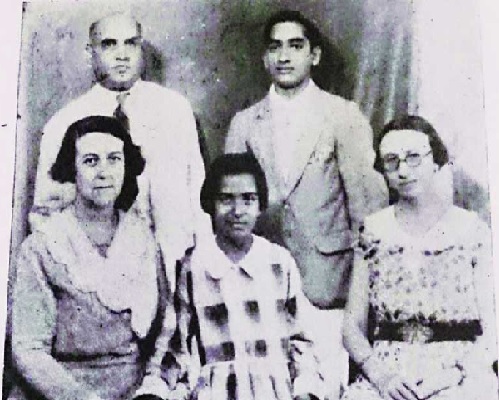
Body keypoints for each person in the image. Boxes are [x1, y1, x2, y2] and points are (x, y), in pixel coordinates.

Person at [225, 9, 387, 398]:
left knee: (324, 387)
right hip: (262, 287)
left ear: (314, 55)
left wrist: (361, 295)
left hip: (327, 285)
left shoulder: (341, 115)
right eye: (275, 47)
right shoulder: (244, 123)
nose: (284, 56)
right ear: (265, 57)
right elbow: (228, 211)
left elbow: (368, 211)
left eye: (295, 46)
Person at [9, 116, 176, 400]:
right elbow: (29, 350)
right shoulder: (44, 246)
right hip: (60, 391)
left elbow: (165, 331)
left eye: (114, 159)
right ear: (71, 169)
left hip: (134, 392)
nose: (104, 173)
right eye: (90, 161)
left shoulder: (144, 240)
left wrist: (152, 388)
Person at [31, 12, 206, 281]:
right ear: (90, 51)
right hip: (98, 278)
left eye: (131, 43)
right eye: (109, 44)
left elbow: (199, 195)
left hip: (175, 268)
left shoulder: (175, 109)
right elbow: (45, 214)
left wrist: (201, 264)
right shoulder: (64, 122)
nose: (122, 55)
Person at [342, 115, 498, 400]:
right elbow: (352, 327)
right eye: (391, 161)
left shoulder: (473, 231)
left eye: (414, 158)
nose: (403, 171)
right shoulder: (372, 231)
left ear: (436, 161)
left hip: (458, 374)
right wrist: (381, 376)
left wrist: (450, 376)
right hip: (389, 375)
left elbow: (493, 331)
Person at [168, 153, 325, 400]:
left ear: (260, 205)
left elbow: (301, 343)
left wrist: (305, 390)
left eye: (248, 199)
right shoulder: (194, 266)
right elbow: (175, 348)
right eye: (226, 199)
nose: (237, 211)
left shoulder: (279, 262)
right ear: (210, 204)